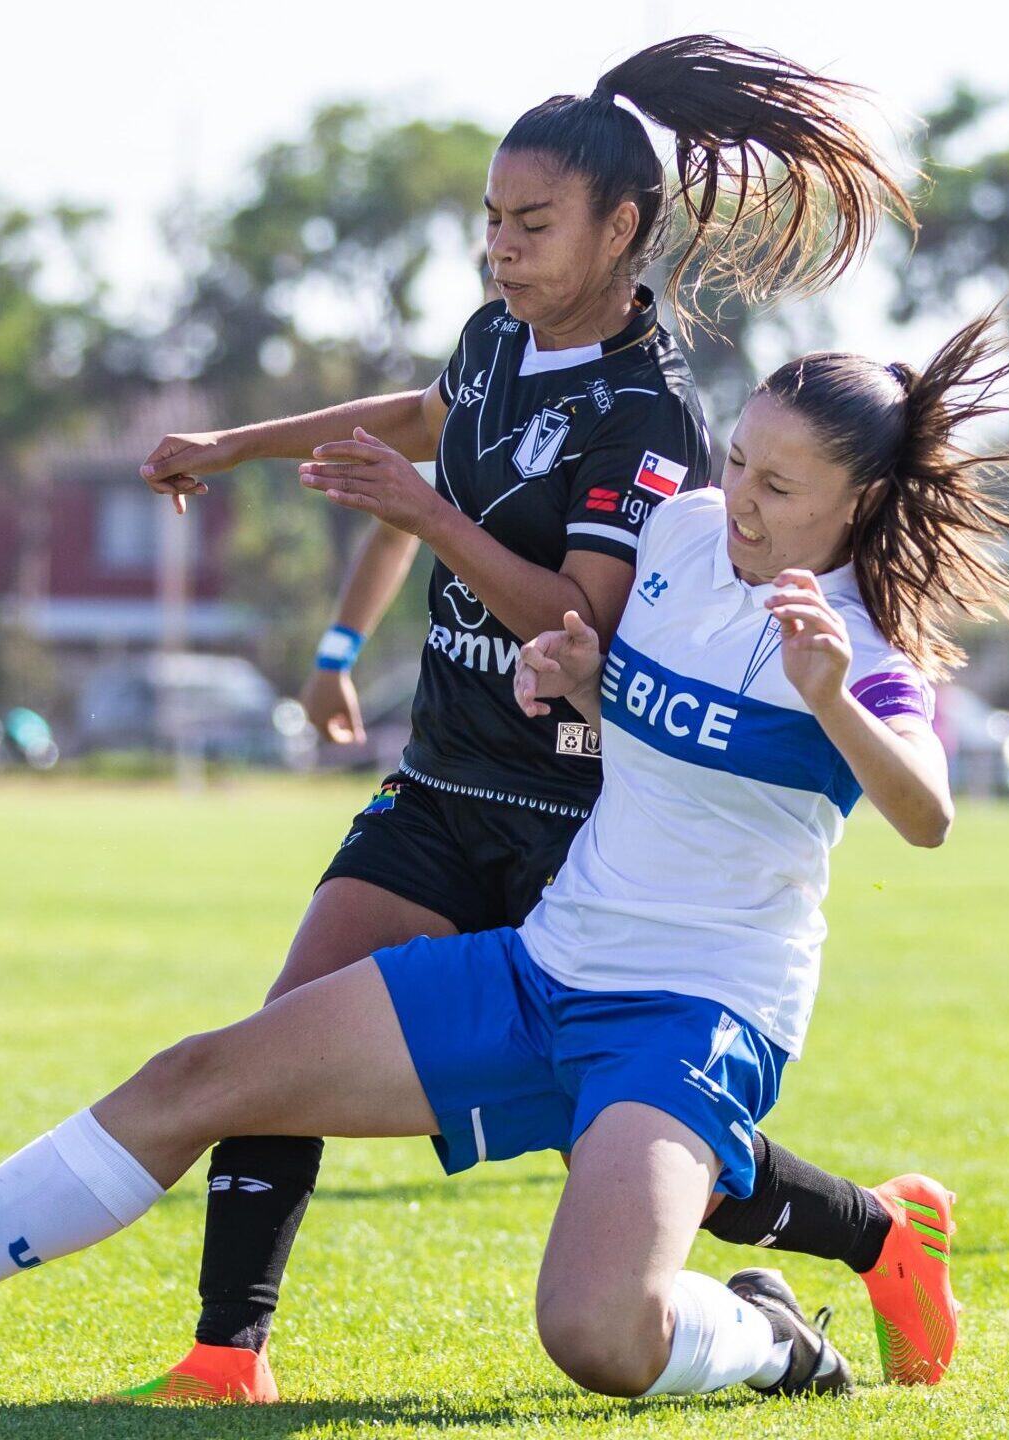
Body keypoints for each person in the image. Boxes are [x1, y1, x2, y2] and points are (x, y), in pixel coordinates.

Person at [0, 311, 1009, 1405]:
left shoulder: (855, 633)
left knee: (596, 1333)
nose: (739, 501)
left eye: (780, 489)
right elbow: (580, 627)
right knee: (210, 1075)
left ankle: (776, 1338)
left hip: (696, 1018)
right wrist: (571, 670)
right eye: (737, 461)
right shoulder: (677, 534)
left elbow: (925, 813)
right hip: (545, 966)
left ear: (856, 507)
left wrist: (836, 694)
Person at [116, 34, 920, 1402]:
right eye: (490, 219)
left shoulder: (651, 409)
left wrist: (423, 516)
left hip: (572, 813)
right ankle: (222, 1356)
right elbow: (426, 423)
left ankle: (873, 1237)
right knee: (276, 1040)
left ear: (621, 230)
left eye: (531, 223)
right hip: (441, 785)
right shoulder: (498, 339)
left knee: (626, 1145)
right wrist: (237, 448)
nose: (500, 247)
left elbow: (580, 615)